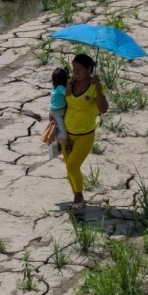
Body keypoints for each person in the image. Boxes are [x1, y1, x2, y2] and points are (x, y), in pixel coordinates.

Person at [60, 53, 107, 211]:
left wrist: (98, 87)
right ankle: (78, 202)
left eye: (79, 69)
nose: (75, 72)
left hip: (85, 136)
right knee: (69, 170)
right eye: (74, 69)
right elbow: (63, 102)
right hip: (66, 134)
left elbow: (103, 109)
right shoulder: (71, 83)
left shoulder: (94, 86)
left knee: (73, 166)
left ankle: (78, 197)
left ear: (89, 69)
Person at [41, 66, 70, 158]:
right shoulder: (61, 87)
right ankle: (66, 143)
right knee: (62, 128)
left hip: (53, 111)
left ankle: (58, 143)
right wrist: (70, 83)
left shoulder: (55, 87)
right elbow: (68, 93)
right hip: (58, 112)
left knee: (56, 128)